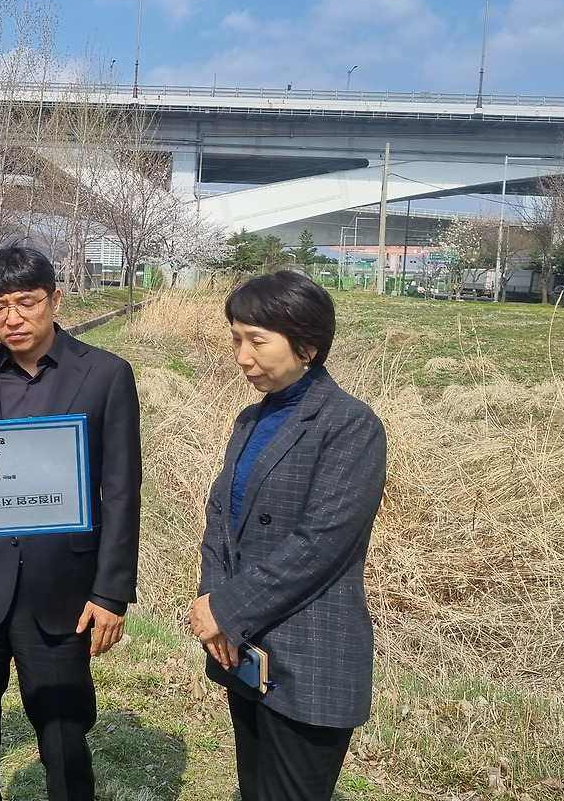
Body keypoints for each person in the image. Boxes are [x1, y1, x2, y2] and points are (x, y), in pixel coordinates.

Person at [0, 246, 143, 801]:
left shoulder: (105, 375)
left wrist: (111, 592)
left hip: (60, 592)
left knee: (64, 740)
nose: (13, 318)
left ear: (56, 300)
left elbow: (121, 491)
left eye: (27, 302)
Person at [188, 271, 387, 801]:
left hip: (311, 652)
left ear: (306, 345)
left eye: (257, 341)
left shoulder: (350, 425)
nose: (242, 357)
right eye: (236, 339)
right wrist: (213, 602)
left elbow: (321, 543)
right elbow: (220, 518)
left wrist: (225, 608)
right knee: (254, 787)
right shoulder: (250, 420)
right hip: (245, 648)